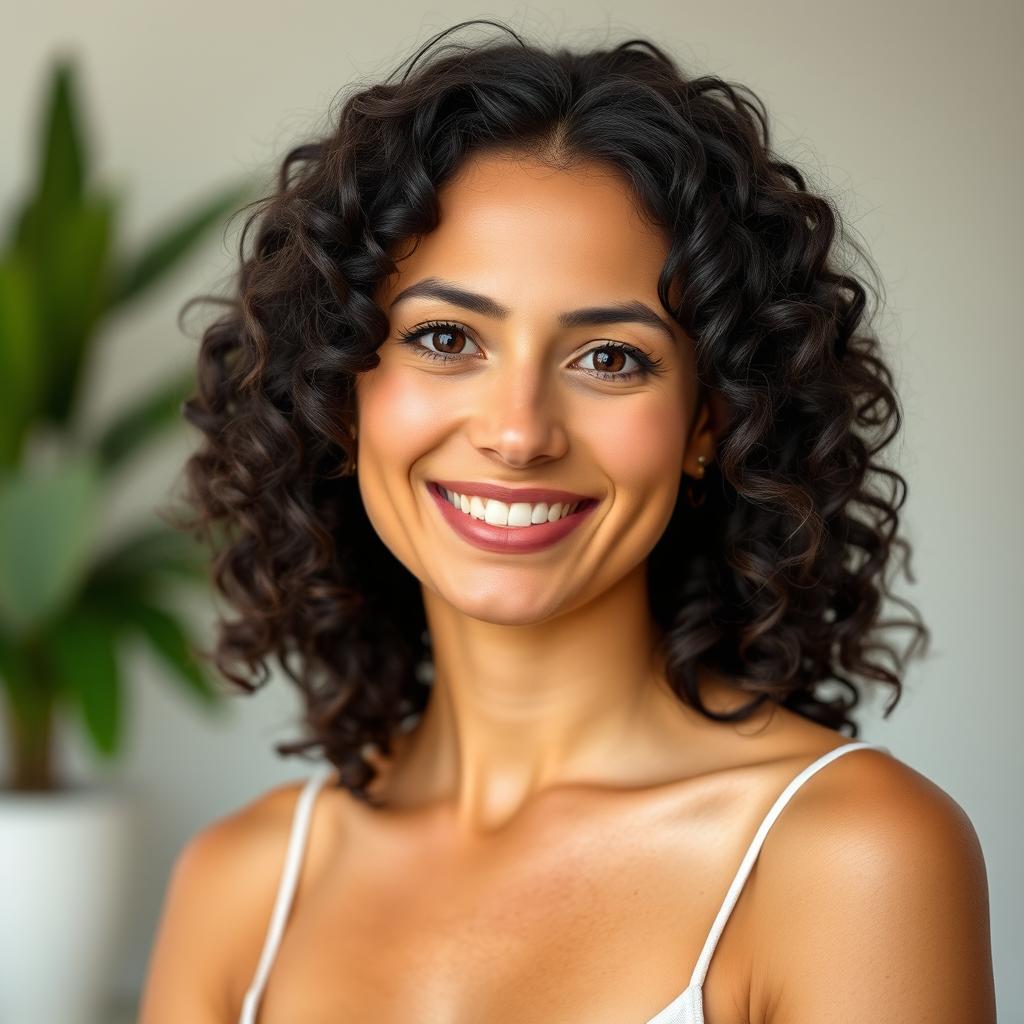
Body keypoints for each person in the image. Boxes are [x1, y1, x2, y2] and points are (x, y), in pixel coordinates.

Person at [138, 20, 995, 1023]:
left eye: (609, 358)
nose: (517, 432)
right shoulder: (241, 886)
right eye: (446, 337)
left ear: (708, 422)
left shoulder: (847, 855)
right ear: (339, 396)